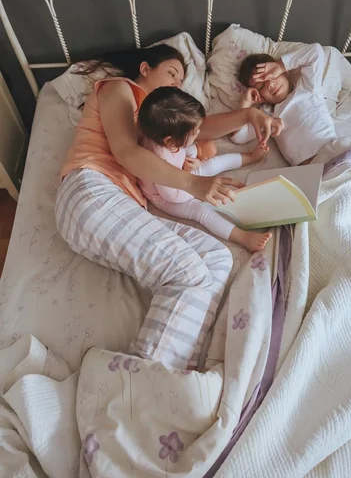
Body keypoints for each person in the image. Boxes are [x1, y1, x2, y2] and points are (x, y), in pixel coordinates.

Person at [55, 44, 283, 370]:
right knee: (187, 272)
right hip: (90, 189)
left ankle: (171, 374)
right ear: (146, 68)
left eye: (181, 80)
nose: (176, 82)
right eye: (173, 73)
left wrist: (250, 114)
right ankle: (134, 383)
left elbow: (198, 128)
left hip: (121, 206)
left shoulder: (165, 121)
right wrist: (193, 184)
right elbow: (125, 153)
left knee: (216, 259)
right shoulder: (120, 89)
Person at [138, 87, 272, 253]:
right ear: (170, 142)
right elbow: (174, 196)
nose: (199, 133)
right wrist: (198, 188)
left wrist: (193, 155)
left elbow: (180, 152)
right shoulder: (159, 160)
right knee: (200, 211)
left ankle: (251, 157)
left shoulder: (163, 137)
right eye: (195, 132)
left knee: (214, 163)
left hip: (182, 173)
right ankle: (242, 237)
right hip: (168, 195)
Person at [230, 43, 326, 147]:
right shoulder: (267, 115)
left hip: (331, 147)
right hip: (311, 163)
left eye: (271, 76)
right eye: (261, 86)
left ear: (285, 72)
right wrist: (246, 102)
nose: (270, 84)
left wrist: (281, 65)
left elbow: (316, 51)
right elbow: (238, 137)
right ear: (260, 95)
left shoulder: (307, 88)